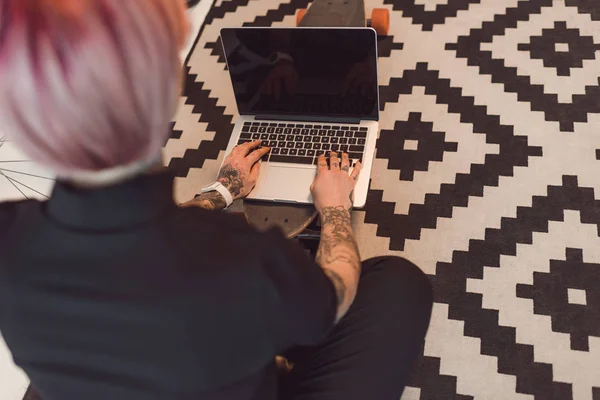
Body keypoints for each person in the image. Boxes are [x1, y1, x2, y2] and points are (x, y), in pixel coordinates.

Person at [0, 1, 433, 399]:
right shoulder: (239, 257)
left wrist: (222, 190)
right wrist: (335, 207)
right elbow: (332, 299)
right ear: (171, 90)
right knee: (398, 282)